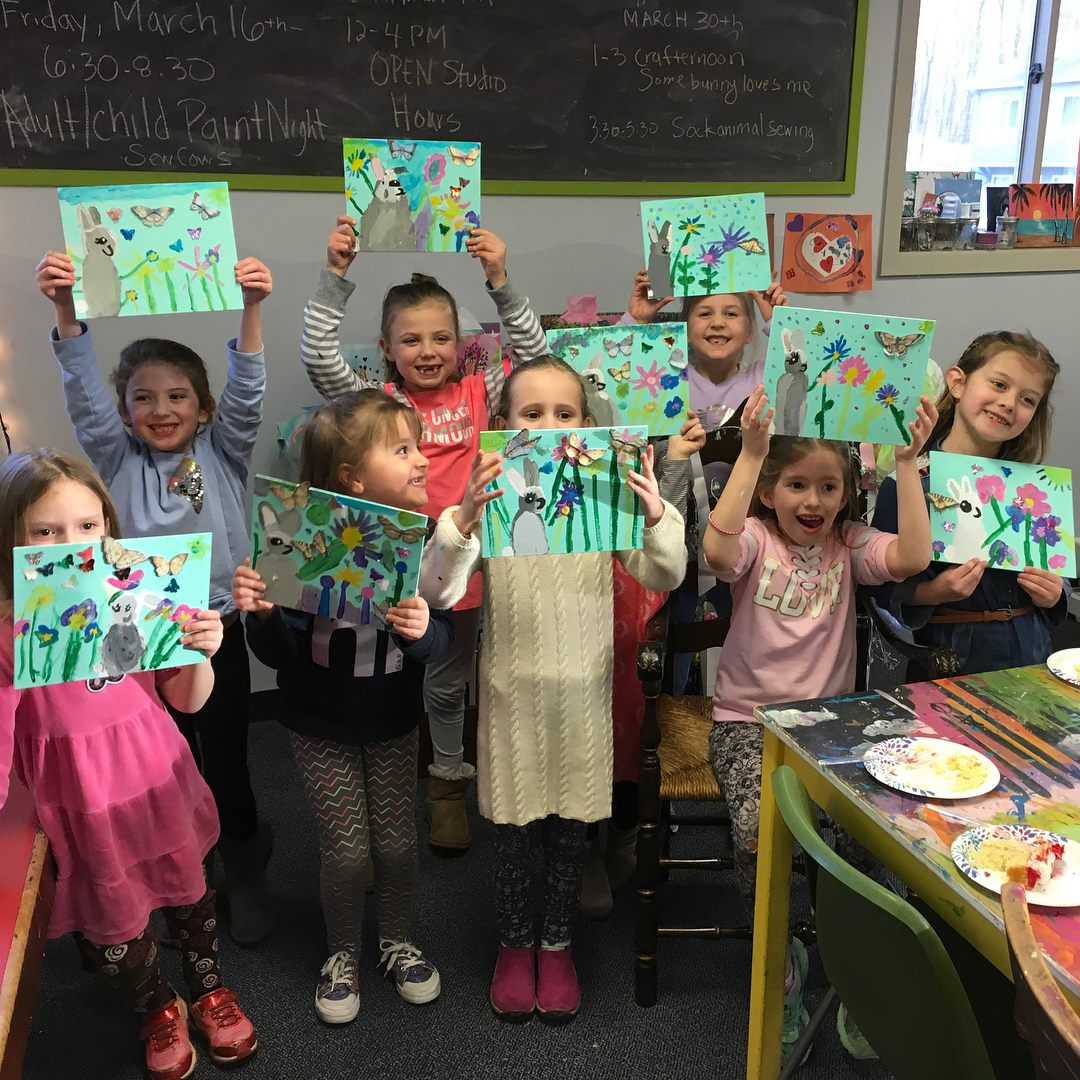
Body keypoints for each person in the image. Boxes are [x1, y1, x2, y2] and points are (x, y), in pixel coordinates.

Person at [420, 356, 686, 1022]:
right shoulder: (488, 502)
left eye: (564, 414)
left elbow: (666, 572)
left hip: (582, 697)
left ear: (586, 424)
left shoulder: (604, 499)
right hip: (512, 696)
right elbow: (438, 590)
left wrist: (654, 513)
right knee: (512, 832)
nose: (547, 426)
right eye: (531, 414)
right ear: (503, 424)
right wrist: (463, 522)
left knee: (570, 830)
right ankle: (515, 943)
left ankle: (557, 942)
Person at [35, 249, 275, 943]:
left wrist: (252, 307)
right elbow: (83, 393)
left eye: (177, 396)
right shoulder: (116, 457)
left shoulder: (223, 450)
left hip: (214, 631)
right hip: (136, 640)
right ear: (125, 411)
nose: (161, 409)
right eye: (143, 397)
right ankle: (185, 878)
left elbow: (248, 392)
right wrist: (64, 308)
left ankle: (244, 867)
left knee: (225, 757)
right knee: (163, 765)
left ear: (203, 408)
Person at [0, 449, 257, 1080]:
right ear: (12, 540)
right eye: (45, 531)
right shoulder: (9, 631)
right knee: (112, 921)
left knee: (189, 893)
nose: (71, 545)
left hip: (156, 776)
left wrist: (202, 652)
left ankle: (209, 990)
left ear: (108, 529)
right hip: (80, 798)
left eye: (88, 526)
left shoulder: (134, 593)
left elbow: (186, 700)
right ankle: (156, 1007)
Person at [702, 386, 936, 1063]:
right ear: (769, 492)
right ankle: (783, 960)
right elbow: (717, 553)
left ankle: (868, 973)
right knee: (759, 835)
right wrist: (751, 455)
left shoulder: (848, 544)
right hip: (748, 722)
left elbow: (913, 558)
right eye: (797, 485)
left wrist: (907, 464)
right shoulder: (754, 539)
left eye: (828, 487)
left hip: (833, 725)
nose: (813, 500)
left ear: (845, 495)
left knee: (876, 834)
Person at [299, 217, 546, 853]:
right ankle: (438, 785)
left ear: (462, 343)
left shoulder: (482, 389)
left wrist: (499, 279)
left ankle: (472, 778)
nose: (429, 350)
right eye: (411, 340)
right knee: (430, 679)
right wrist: (335, 274)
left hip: (487, 557)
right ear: (387, 347)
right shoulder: (379, 404)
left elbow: (535, 356)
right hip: (408, 564)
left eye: (442, 337)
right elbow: (319, 357)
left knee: (479, 678)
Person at [232, 389, 450, 1024]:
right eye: (402, 450)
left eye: (418, 446)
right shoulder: (300, 539)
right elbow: (276, 654)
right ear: (353, 477)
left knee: (398, 847)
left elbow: (441, 641)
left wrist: (421, 632)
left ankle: (397, 939)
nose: (421, 460)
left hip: (392, 720)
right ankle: (343, 953)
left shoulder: (426, 542)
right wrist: (264, 614)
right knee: (348, 853)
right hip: (318, 723)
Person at [871, 331, 1066, 677]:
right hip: (950, 660)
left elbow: (1056, 571)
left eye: (1027, 399)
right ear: (957, 383)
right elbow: (879, 588)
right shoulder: (908, 482)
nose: (1009, 403)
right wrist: (932, 592)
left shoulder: (1034, 490)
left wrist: (1054, 593)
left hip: (1033, 655)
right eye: (999, 384)